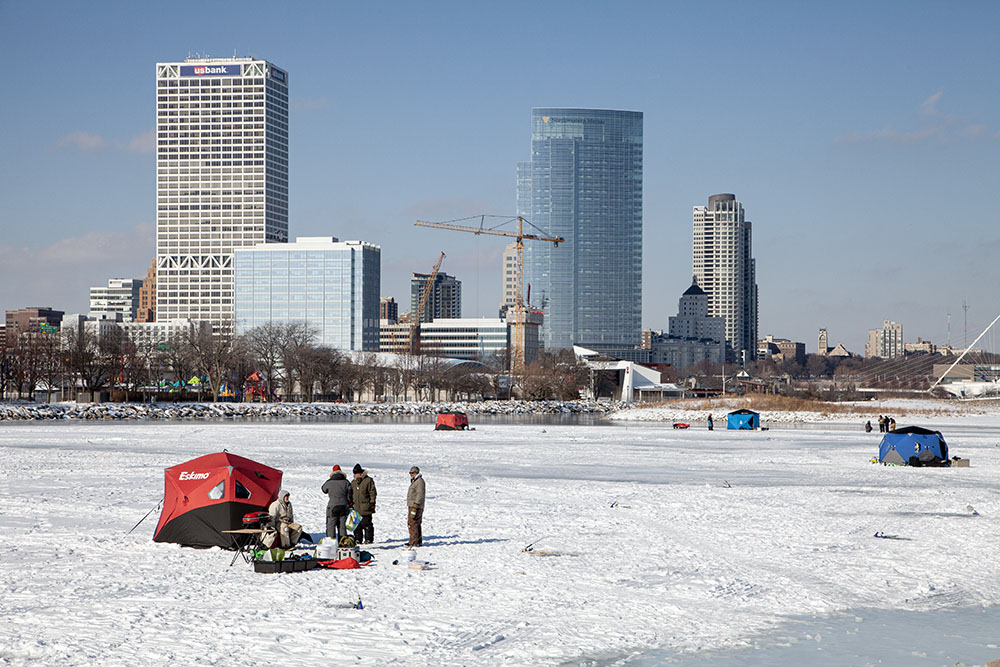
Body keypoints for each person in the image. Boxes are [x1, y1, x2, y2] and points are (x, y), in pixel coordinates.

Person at [321, 465, 352, 541]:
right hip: (344, 505)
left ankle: (331, 542)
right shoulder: (346, 482)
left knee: (331, 525)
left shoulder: (329, 482)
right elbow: (350, 492)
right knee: (342, 525)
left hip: (333, 506)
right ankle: (343, 541)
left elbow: (324, 489)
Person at [351, 463, 377, 544]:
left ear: (361, 473)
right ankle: (358, 539)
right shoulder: (353, 482)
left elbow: (372, 492)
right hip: (356, 507)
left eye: (356, 473)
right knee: (357, 525)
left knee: (367, 524)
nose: (354, 475)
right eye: (354, 473)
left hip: (366, 507)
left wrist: (372, 503)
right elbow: (351, 493)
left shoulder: (368, 480)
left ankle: (369, 539)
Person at [407, 466, 426, 548]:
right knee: (415, 523)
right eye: (410, 473)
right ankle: (416, 541)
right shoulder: (415, 481)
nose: (410, 474)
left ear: (416, 473)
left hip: (415, 506)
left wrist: (415, 505)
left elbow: (420, 494)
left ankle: (413, 541)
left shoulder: (419, 482)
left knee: (413, 522)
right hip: (413, 504)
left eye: (412, 473)